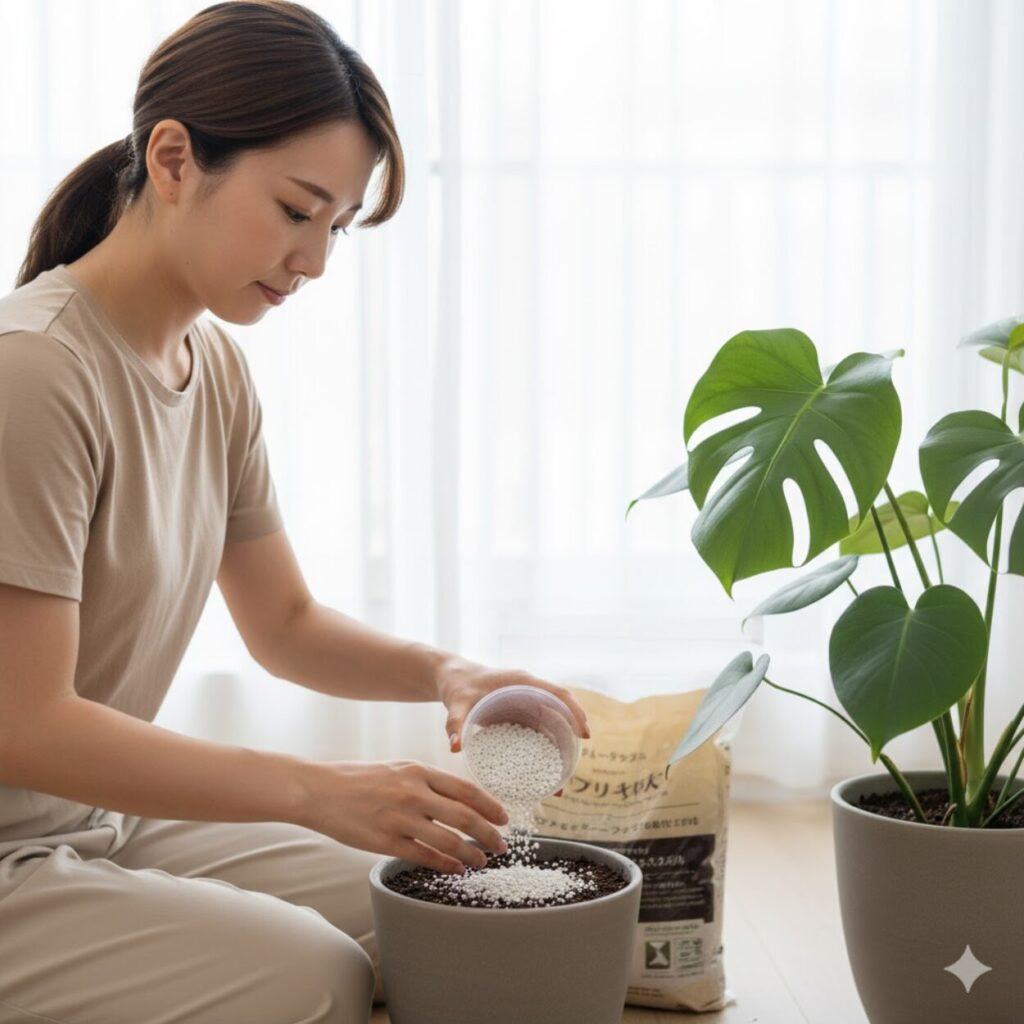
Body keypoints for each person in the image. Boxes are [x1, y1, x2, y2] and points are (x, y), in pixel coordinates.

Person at [0, 2, 590, 1021]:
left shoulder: (212, 367)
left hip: (96, 818)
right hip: (13, 844)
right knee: (310, 975)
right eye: (294, 208)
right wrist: (316, 787)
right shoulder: (36, 371)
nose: (313, 259)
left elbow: (283, 625)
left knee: (440, 892)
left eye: (334, 225)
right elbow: (22, 723)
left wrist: (444, 672)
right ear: (174, 158)